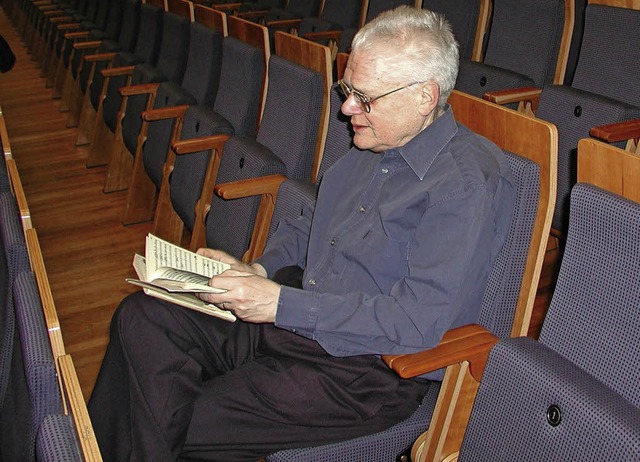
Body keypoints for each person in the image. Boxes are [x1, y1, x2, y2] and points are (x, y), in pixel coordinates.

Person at [88, 6, 515, 461]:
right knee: (143, 316)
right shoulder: (374, 143)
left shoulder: (464, 186)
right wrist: (258, 268)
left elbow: (416, 323)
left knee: (171, 415)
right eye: (348, 90)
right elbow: (313, 222)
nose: (347, 108)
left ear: (425, 98)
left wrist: (277, 303)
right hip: (296, 315)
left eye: (364, 98)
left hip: (363, 369)